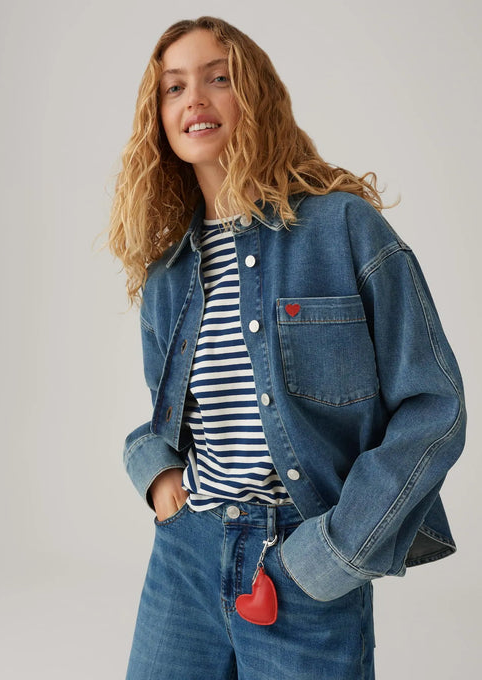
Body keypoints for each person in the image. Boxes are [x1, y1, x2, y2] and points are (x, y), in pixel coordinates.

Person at [107, 16, 466, 680]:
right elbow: (173, 420)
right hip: (185, 560)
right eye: (173, 87)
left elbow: (433, 408)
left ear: (256, 94)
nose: (194, 99)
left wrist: (335, 553)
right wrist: (155, 473)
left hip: (298, 560)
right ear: (158, 118)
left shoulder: (343, 228)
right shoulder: (168, 273)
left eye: (218, 78)